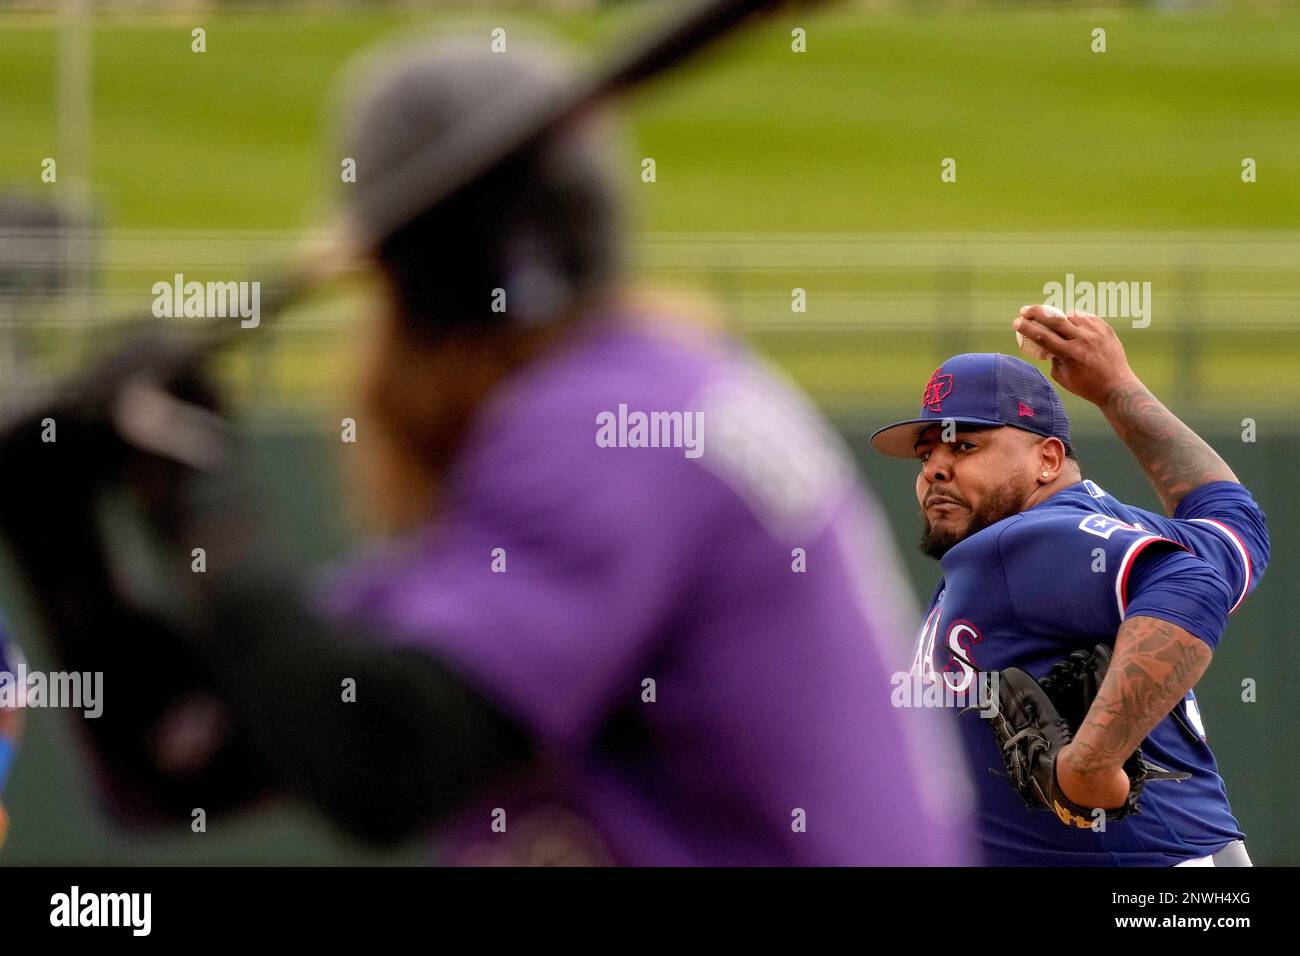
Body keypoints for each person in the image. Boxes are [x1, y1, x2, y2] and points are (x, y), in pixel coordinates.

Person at [0, 38, 970, 866]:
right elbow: (183, 757)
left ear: (404, 300)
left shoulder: (612, 420)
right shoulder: (632, 412)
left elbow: (381, 757)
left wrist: (193, 484)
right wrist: (52, 524)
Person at [868, 305, 1268, 866]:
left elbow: (1192, 583)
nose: (935, 467)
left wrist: (1091, 762)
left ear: (1048, 458)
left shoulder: (1021, 541)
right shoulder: (1127, 529)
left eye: (964, 446)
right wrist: (1116, 389)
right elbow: (1232, 527)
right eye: (926, 451)